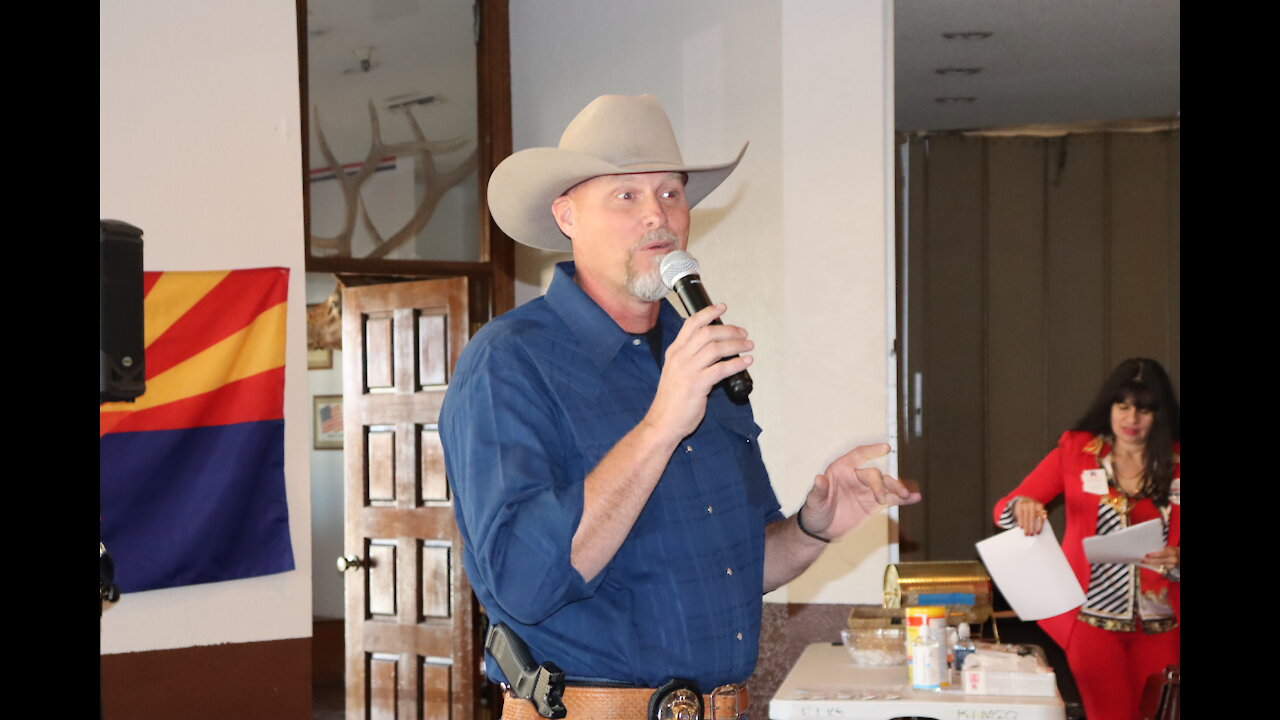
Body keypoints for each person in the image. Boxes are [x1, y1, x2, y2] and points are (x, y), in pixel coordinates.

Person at [439, 94, 921, 720]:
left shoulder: (699, 354)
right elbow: (526, 583)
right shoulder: (508, 362)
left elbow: (738, 570)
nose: (658, 217)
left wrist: (813, 527)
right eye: (626, 196)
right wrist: (662, 425)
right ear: (566, 215)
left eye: (671, 193)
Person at [992, 358, 1180, 720]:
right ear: (1108, 407)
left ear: (1160, 414)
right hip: (1091, 621)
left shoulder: (1177, 463)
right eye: (1122, 406)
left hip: (1164, 622)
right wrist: (1024, 507)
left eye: (1143, 410)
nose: (1131, 419)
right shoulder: (1077, 453)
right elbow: (1005, 508)